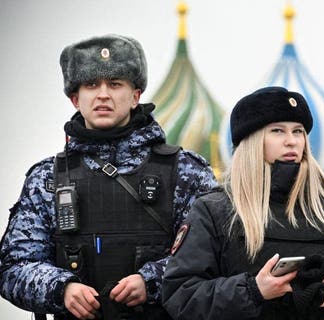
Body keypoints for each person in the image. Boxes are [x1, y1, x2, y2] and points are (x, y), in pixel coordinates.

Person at [0, 34, 217, 320]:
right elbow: (14, 266)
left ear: (136, 96)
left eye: (115, 84)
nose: (103, 94)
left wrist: (151, 281)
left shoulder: (185, 171)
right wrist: (62, 289)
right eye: (91, 84)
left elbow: (214, 253)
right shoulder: (46, 179)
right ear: (75, 98)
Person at [162, 86, 324, 319]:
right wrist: (254, 291)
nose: (291, 141)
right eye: (277, 131)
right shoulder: (215, 210)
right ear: (252, 141)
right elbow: (181, 295)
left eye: (298, 132)